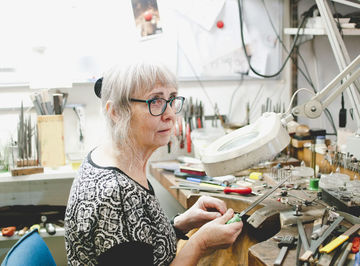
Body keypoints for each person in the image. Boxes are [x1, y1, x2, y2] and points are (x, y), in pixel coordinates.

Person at [64, 59, 243, 265]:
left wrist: (181, 224)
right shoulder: (118, 195)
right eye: (155, 101)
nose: (169, 115)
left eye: (172, 99)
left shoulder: (111, 159)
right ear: (116, 112)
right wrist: (200, 243)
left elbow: (137, 240)